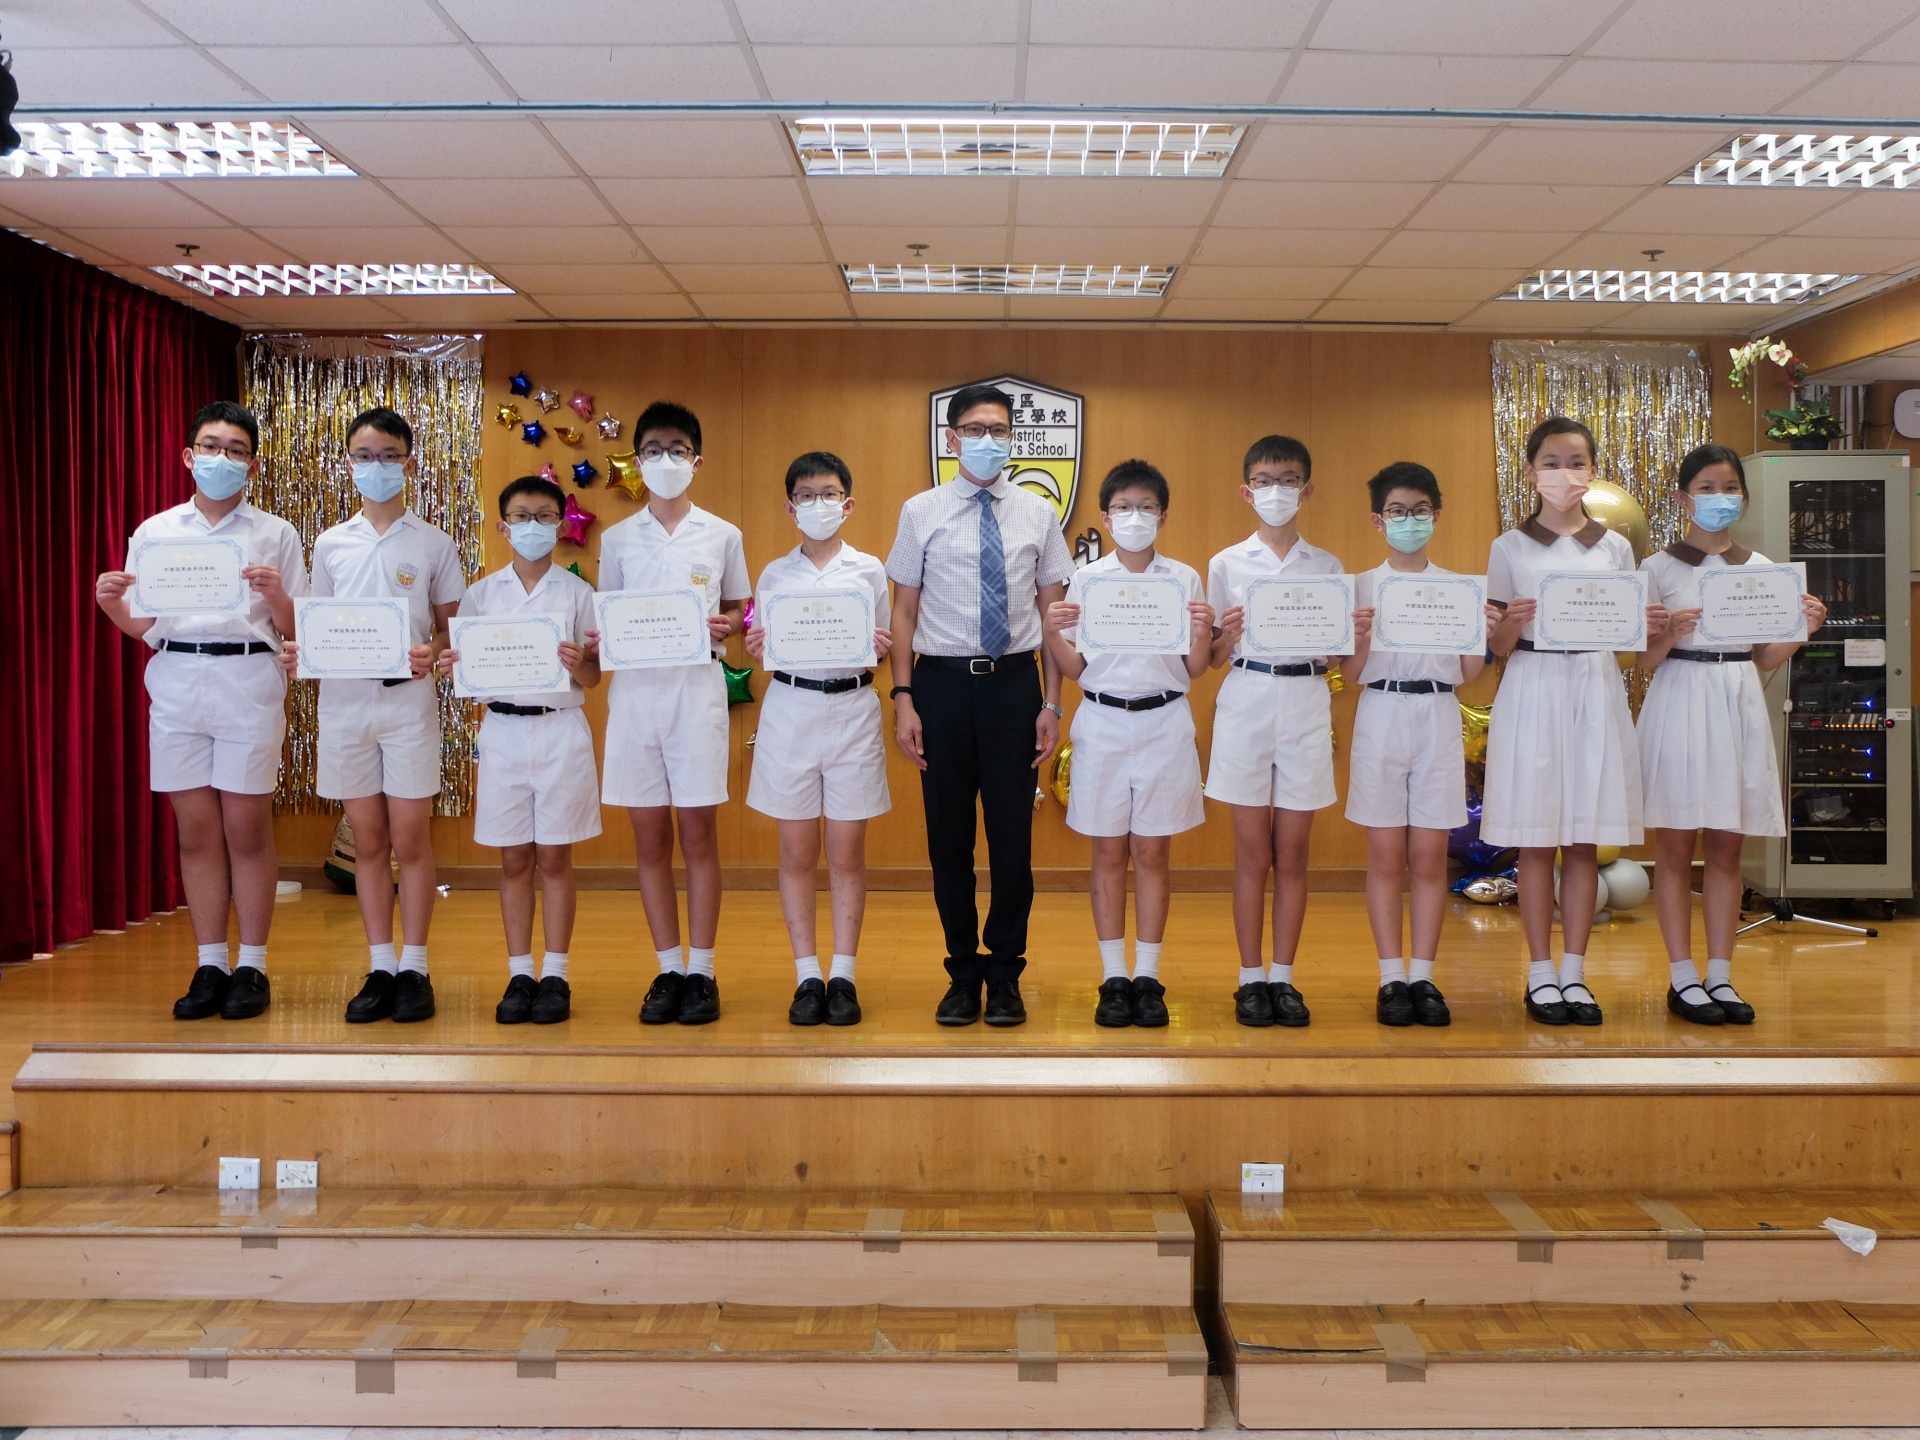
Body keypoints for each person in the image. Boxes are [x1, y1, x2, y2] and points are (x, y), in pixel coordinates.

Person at [94, 400, 304, 1021]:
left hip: (248, 678)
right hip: (177, 680)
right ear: (189, 456)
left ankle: (252, 965)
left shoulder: (275, 533)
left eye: (236, 451)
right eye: (211, 447)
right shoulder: (155, 531)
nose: (221, 459)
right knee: (196, 831)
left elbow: (299, 627)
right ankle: (211, 962)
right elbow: (143, 624)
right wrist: (110, 604)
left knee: (247, 827)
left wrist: (277, 594)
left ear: (253, 465)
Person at [888, 383, 1074, 1027]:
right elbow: (903, 612)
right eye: (974, 429)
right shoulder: (920, 511)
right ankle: (963, 973)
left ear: (1012, 437)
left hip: (1013, 689)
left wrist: (1052, 702)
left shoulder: (1038, 514)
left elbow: (1053, 617)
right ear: (952, 438)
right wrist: (904, 698)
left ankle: (1006, 972)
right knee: (949, 843)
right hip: (939, 689)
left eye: (998, 429)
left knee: (1012, 843)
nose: (987, 439)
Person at [283, 406, 464, 1024]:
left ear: (409, 464)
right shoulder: (331, 543)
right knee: (367, 841)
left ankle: (415, 967)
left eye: (389, 456)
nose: (376, 466)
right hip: (345, 703)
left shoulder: (435, 542)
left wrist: (433, 651)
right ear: (349, 464)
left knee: (410, 839)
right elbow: (319, 626)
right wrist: (302, 651)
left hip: (408, 702)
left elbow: (453, 631)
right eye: (364, 456)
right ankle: (381, 965)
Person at [1482, 416, 1666, 1027]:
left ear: (1593, 470)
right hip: (1533, 683)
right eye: (1552, 462)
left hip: (1594, 684)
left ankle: (1576, 972)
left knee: (1584, 839)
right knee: (1536, 840)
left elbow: (1629, 639)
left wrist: (1646, 624)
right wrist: (1511, 622)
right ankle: (1540, 973)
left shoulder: (1614, 547)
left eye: (1576, 462)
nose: (1565, 474)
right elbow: (1497, 647)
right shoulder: (1509, 546)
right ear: (1530, 470)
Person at [1638, 444, 1825, 1026]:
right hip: (1679, 695)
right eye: (1706, 488)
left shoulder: (1762, 567)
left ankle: (1720, 974)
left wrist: (1803, 629)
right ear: (1683, 498)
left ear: (1743, 496)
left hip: (1736, 697)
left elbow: (1764, 657)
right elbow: (1642, 661)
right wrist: (1670, 632)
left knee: (1727, 845)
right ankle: (1682, 977)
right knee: (1675, 847)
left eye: (1729, 488)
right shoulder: (1657, 567)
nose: (1719, 498)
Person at [589, 401, 749, 1027]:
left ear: (697, 461)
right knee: (649, 837)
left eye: (677, 449)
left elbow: (740, 611)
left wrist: (729, 624)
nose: (665, 459)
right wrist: (602, 637)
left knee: (699, 835)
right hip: (634, 696)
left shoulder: (723, 533)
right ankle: (667, 968)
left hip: (696, 692)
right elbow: (607, 615)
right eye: (653, 450)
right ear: (637, 459)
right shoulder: (617, 539)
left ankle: (702, 971)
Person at [1041, 460, 1211, 1029]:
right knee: (1109, 852)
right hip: (1103, 722)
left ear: (1163, 515)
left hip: (1164, 721)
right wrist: (1050, 630)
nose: (1134, 517)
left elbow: (1195, 667)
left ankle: (1149, 977)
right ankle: (1114, 976)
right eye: (1123, 508)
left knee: (1154, 854)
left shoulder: (1184, 579)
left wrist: (1204, 632)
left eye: (1146, 507)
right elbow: (1074, 667)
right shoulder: (1087, 581)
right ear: (1106, 516)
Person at [436, 474, 602, 1026]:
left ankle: (555, 973)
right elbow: (470, 678)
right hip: (503, 731)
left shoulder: (578, 593)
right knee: (513, 860)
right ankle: (519, 973)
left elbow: (595, 677)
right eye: (522, 517)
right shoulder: (481, 595)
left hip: (560, 729)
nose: (533, 526)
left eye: (545, 517)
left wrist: (580, 662)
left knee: (554, 857)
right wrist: (457, 668)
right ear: (503, 527)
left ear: (560, 525)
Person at [743, 452, 892, 1026]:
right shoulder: (775, 574)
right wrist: (759, 647)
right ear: (790, 507)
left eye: (828, 494)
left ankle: (844, 976)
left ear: (847, 504)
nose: (817, 504)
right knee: (797, 852)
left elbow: (882, 646)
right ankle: (807, 975)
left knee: (847, 852)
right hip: (791, 708)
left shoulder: (869, 570)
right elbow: (764, 640)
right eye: (806, 496)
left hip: (853, 707)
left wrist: (878, 646)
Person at [1204, 435, 1344, 1029]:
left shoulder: (1328, 566)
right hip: (1247, 698)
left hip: (1306, 699)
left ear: (1306, 490)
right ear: (1246, 491)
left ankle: (1283, 976)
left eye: (1288, 480)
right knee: (1252, 854)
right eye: (1264, 481)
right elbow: (1211, 658)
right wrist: (1228, 637)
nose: (1276, 491)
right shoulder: (1225, 563)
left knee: (1294, 853)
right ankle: (1249, 978)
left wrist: (1342, 642)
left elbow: (1338, 656)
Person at [1344, 462, 1489, 1028]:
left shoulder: (1459, 588)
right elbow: (1351, 673)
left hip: (1437, 712)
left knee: (1429, 856)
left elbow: (1469, 673)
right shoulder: (1360, 587)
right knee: (1386, 857)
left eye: (1420, 511)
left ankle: (1423, 976)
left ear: (1436, 515)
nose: (1409, 521)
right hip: (1381, 710)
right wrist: (1358, 635)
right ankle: (1389, 978)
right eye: (1397, 512)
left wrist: (1479, 631)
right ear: (1378, 521)